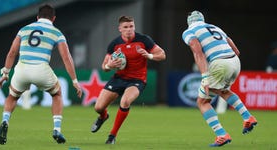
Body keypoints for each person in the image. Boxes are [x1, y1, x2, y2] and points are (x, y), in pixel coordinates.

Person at [0, 4, 82, 145]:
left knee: (12, 97)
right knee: (57, 94)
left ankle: (5, 120)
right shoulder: (56, 32)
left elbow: (12, 52)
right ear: (53, 18)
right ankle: (56, 129)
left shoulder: (24, 29)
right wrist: (74, 81)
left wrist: (5, 73)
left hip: (22, 68)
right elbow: (66, 58)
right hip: (41, 69)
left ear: (37, 17)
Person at [182, 11, 258, 147]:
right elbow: (236, 51)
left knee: (202, 102)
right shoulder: (216, 27)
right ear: (203, 19)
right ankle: (248, 117)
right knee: (222, 91)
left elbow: (197, 52)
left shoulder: (189, 31)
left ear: (189, 22)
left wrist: (205, 77)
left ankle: (222, 135)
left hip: (220, 64)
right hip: (235, 62)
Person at [90, 15, 166, 144]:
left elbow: (162, 54)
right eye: (126, 27)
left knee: (125, 102)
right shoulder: (114, 44)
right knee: (98, 107)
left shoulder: (144, 40)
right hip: (119, 78)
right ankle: (103, 116)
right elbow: (104, 67)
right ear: (120, 29)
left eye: (131, 26)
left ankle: (112, 136)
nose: (129, 29)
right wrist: (109, 65)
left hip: (137, 80)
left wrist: (150, 55)